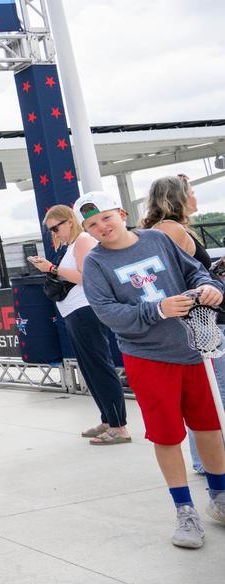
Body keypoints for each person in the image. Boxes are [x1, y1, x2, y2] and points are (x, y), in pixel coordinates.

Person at [76, 191, 225, 549]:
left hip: (193, 348)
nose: (102, 227)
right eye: (92, 225)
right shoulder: (95, 263)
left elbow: (197, 272)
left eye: (106, 218)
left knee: (209, 427)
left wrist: (210, 288)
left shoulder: (157, 238)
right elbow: (107, 312)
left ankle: (219, 498)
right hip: (148, 357)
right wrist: (157, 310)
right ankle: (184, 511)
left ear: (122, 213)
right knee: (167, 435)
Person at [140, 175, 225, 472]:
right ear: (178, 197)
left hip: (197, 319)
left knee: (209, 395)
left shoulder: (161, 230)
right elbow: (166, 280)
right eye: (191, 191)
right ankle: (211, 463)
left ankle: (209, 461)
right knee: (215, 395)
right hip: (202, 320)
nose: (195, 197)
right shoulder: (169, 230)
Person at [29, 206, 130, 445]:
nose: (55, 233)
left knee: (99, 366)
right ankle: (109, 420)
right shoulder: (72, 245)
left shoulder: (83, 240)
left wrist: (52, 268)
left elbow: (87, 277)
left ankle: (119, 425)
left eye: (57, 227)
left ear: (70, 221)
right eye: (51, 230)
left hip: (85, 309)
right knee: (91, 368)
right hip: (75, 311)